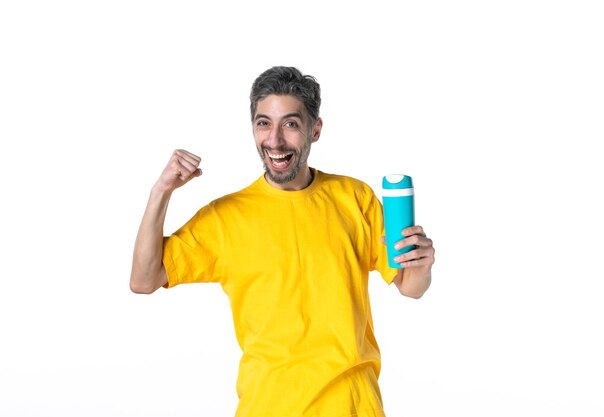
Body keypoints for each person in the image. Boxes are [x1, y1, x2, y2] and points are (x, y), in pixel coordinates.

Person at [130, 66, 435, 417]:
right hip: (267, 407)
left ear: (314, 130)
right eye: (263, 123)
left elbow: (411, 287)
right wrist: (160, 192)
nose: (274, 140)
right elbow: (144, 279)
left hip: (353, 406)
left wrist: (421, 264)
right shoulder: (226, 217)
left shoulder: (355, 198)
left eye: (290, 124)